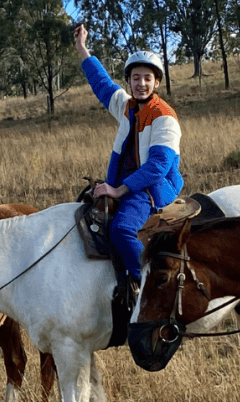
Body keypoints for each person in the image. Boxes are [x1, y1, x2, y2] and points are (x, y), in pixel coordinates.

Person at [74, 24, 183, 293]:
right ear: (130, 81)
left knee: (121, 230)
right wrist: (82, 49)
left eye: (147, 78)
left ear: (156, 82)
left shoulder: (164, 117)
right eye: (136, 77)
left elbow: (158, 167)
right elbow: (101, 83)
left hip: (150, 187)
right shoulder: (127, 106)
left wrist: (119, 189)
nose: (141, 83)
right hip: (124, 182)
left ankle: (152, 288)